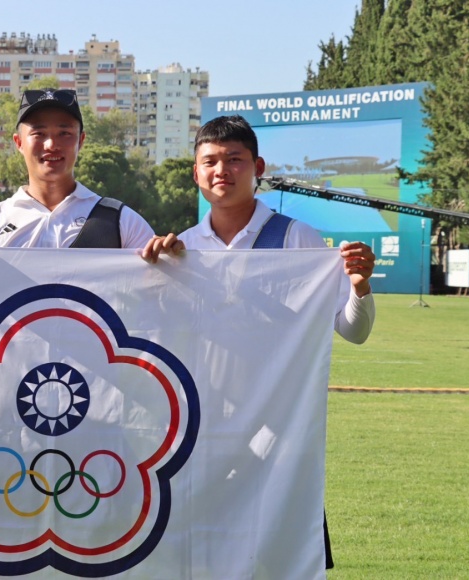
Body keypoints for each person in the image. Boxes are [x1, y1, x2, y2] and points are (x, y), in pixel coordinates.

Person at [146, 114, 376, 568]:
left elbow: (355, 331)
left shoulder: (296, 239)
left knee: (278, 558)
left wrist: (360, 286)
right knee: (197, 558)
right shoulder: (181, 250)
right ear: (195, 173)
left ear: (259, 168)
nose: (221, 171)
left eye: (235, 159)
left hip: (278, 436)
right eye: (210, 161)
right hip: (202, 436)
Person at [0, 88, 155, 257]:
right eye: (38, 133)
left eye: (64, 133)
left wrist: (169, 257)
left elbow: (162, 290)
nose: (51, 145)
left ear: (81, 141)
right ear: (18, 142)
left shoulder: (122, 222)